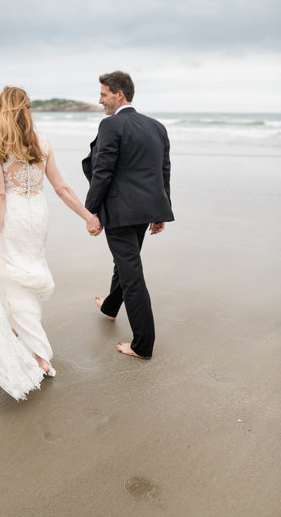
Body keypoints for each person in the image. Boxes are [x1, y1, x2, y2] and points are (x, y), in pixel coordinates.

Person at [0, 86, 100, 400]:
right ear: (26, 110)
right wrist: (88, 216)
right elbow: (62, 188)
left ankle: (39, 355)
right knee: (26, 275)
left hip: (13, 216)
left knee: (10, 276)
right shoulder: (42, 143)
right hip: (37, 215)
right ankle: (26, 341)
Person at [82, 71, 174, 359]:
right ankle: (110, 307)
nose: (100, 100)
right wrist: (160, 210)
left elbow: (102, 171)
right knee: (126, 263)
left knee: (132, 274)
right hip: (145, 210)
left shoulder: (111, 125)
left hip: (120, 211)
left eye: (103, 94)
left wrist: (90, 212)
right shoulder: (157, 127)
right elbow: (163, 173)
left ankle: (142, 344)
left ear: (119, 94)